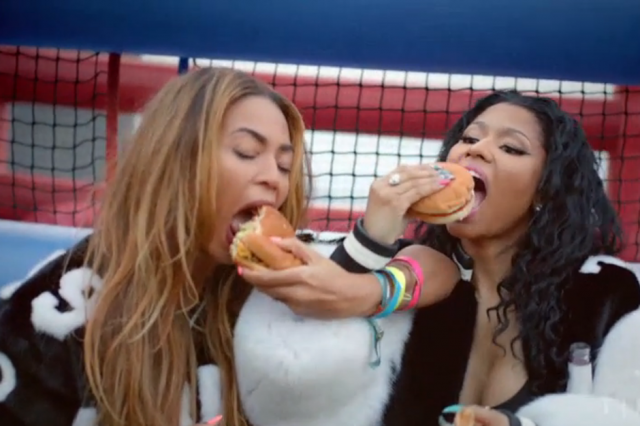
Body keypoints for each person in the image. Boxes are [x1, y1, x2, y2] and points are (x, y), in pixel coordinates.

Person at [0, 67, 459, 426]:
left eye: (284, 165)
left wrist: (367, 288)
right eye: (246, 152)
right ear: (176, 159)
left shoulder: (278, 275)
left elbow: (441, 266)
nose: (273, 179)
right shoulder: (64, 300)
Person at [237, 91, 640, 426]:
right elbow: (299, 364)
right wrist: (372, 234)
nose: (476, 149)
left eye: (510, 147)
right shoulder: (417, 279)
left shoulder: (606, 296)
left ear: (545, 190)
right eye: (469, 139)